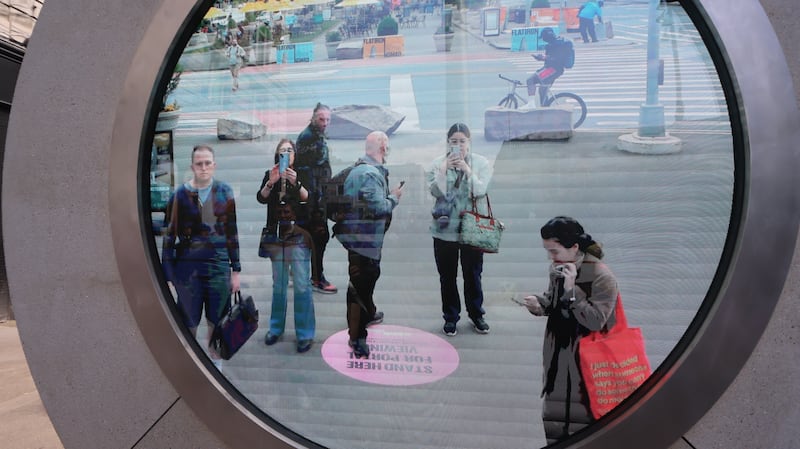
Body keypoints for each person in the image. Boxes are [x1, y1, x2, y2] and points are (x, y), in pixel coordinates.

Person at [520, 216, 619, 444]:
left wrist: (572, 289)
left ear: (574, 247)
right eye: (548, 251)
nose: (550, 258)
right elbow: (553, 301)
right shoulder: (560, 267)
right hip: (557, 354)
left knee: (582, 424)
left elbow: (596, 321)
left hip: (586, 361)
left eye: (554, 251)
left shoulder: (602, 277)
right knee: (553, 421)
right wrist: (539, 304)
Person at [162, 145, 241, 367]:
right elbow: (168, 240)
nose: (204, 168)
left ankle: (215, 372)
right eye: (199, 164)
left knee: (217, 323)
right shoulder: (179, 196)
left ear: (214, 166)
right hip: (188, 271)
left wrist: (236, 270)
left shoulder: (224, 192)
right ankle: (188, 369)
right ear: (192, 166)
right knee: (188, 324)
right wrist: (168, 278)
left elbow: (231, 233)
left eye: (208, 163)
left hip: (217, 268)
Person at [334, 131, 403, 358]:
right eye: (388, 145)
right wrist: (394, 197)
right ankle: (357, 337)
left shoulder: (359, 169)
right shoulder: (370, 174)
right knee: (360, 287)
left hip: (357, 240)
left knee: (364, 282)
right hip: (364, 242)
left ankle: (369, 314)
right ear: (383, 147)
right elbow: (377, 208)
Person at [426, 123, 492, 337]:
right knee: (447, 277)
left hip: (471, 230)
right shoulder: (438, 164)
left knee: (473, 274)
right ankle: (450, 318)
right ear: (448, 142)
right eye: (453, 141)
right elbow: (436, 192)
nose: (458, 145)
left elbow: (480, 190)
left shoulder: (480, 162)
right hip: (444, 230)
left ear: (469, 142)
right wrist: (444, 170)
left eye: (462, 141)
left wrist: (467, 170)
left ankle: (476, 314)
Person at [256, 139, 316, 353]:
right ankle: (275, 328)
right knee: (279, 284)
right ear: (277, 154)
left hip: (298, 236)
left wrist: (297, 183)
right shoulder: (270, 173)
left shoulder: (303, 173)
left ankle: (305, 334)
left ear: (295, 155)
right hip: (276, 236)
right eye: (282, 150)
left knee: (301, 284)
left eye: (289, 150)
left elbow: (310, 201)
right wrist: (270, 183)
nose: (286, 154)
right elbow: (261, 199)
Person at [294, 103, 338, 294]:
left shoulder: (314, 135)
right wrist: (318, 201)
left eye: (328, 119)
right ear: (313, 117)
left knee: (309, 237)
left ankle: (301, 272)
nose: (325, 123)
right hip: (313, 199)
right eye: (322, 119)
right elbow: (308, 173)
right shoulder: (308, 138)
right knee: (319, 237)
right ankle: (317, 278)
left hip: (314, 196)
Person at [526, 27, 571, 105]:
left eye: (543, 37)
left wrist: (544, 57)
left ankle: (531, 104)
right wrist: (542, 58)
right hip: (552, 69)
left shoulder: (557, 44)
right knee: (543, 90)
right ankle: (544, 108)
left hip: (552, 69)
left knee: (531, 80)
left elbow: (557, 58)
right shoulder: (555, 43)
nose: (543, 39)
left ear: (547, 36)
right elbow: (551, 57)